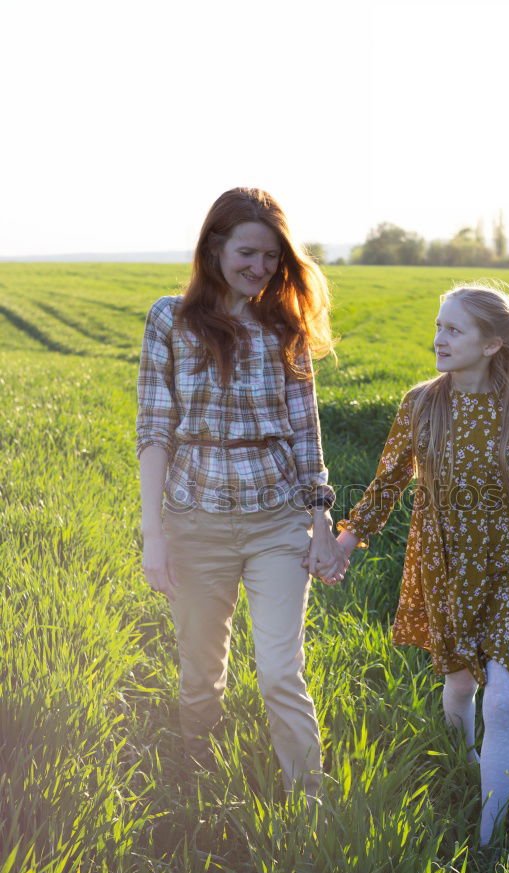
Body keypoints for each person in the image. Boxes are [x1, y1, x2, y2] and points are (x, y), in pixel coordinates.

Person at [335, 280, 509, 847]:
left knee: (503, 697)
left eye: (453, 329)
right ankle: (461, 759)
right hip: (448, 567)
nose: (438, 339)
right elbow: (388, 484)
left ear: (492, 343)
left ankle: (488, 837)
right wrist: (342, 543)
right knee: (459, 686)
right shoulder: (422, 403)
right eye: (438, 325)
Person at [136, 187, 347, 801]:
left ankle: (309, 803)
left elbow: (306, 432)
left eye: (273, 259)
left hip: (276, 522)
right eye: (248, 253)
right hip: (194, 522)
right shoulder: (167, 319)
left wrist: (321, 523)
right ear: (214, 246)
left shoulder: (285, 328)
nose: (260, 269)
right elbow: (153, 432)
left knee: (282, 670)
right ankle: (197, 782)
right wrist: (155, 535)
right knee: (200, 676)